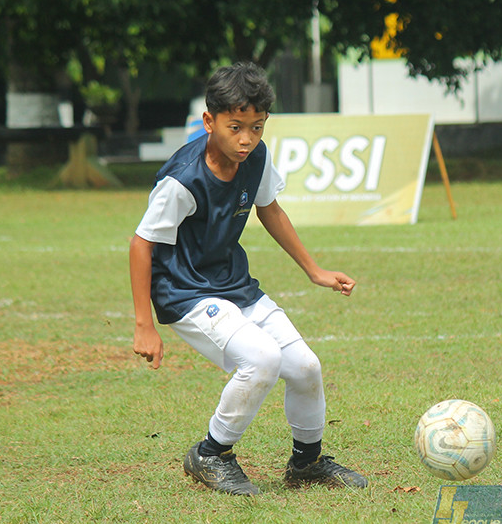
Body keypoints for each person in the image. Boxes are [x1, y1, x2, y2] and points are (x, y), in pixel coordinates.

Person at [129, 62, 367, 496]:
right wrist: (145, 324)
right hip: (185, 292)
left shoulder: (255, 157)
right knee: (261, 359)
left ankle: (306, 463)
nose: (246, 139)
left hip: (235, 285)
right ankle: (210, 454)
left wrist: (315, 270)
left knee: (306, 367)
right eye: (235, 127)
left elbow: (269, 208)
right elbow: (141, 244)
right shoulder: (183, 180)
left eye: (257, 128)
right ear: (209, 121)